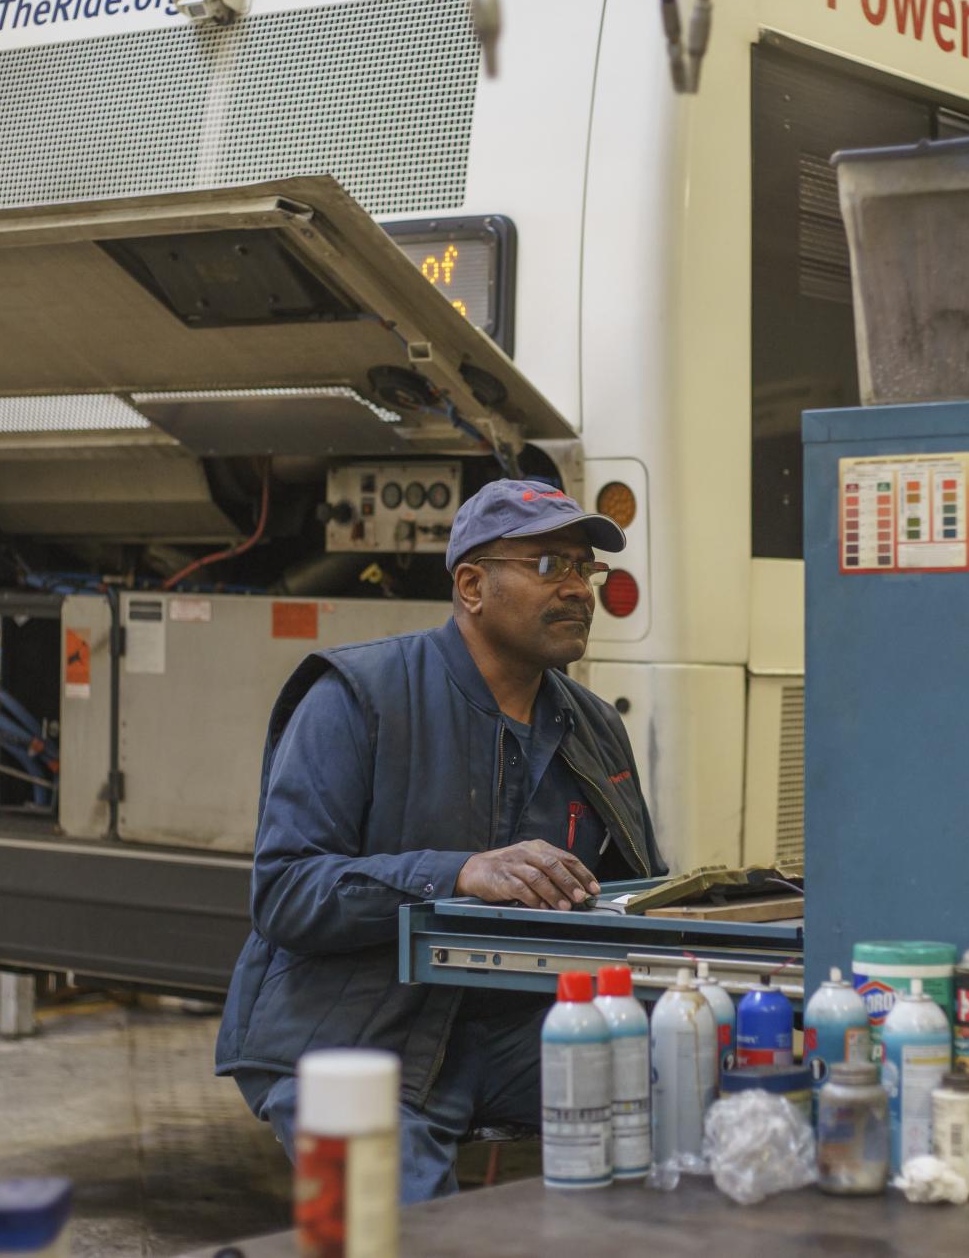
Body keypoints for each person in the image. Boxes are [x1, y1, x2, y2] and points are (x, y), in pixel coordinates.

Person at [215, 477, 665, 1202]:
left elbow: (639, 897)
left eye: (587, 567)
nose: (580, 588)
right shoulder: (357, 696)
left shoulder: (593, 726)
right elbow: (286, 890)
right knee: (407, 1230)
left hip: (507, 1030)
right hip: (346, 1035)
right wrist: (458, 874)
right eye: (552, 565)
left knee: (692, 1077)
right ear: (471, 585)